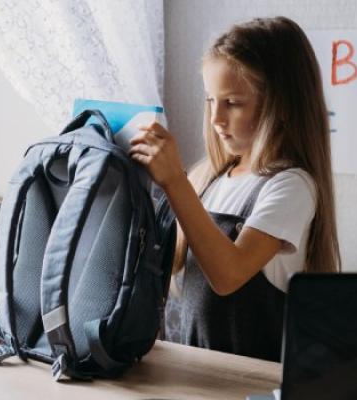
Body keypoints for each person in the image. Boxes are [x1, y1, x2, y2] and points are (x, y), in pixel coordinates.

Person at [129, 16, 341, 362]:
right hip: (196, 373)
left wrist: (174, 182)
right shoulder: (208, 179)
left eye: (233, 102)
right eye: (211, 100)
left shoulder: (292, 187)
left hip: (249, 383)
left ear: (282, 107)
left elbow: (227, 275)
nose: (216, 118)